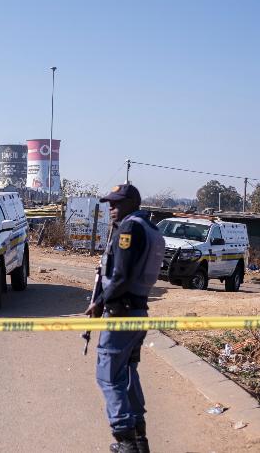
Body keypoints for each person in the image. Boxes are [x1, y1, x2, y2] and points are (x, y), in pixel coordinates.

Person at [85, 184, 165, 453]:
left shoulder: (130, 229)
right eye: (109, 203)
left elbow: (121, 276)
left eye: (117, 203)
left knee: (108, 376)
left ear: (133, 203)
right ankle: (139, 440)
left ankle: (126, 442)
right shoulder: (151, 228)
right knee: (128, 373)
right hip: (138, 312)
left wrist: (99, 302)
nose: (111, 208)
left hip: (122, 313)